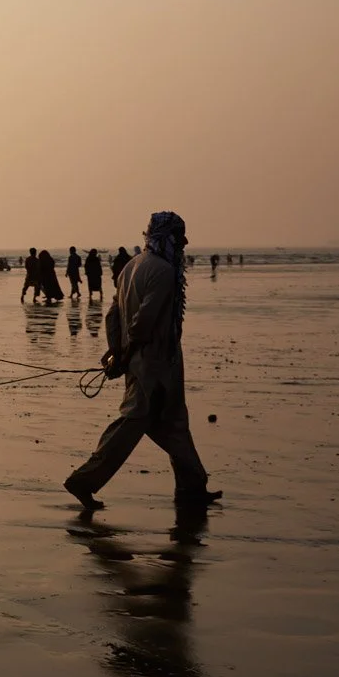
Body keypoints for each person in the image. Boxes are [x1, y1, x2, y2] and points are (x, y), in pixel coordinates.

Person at [64, 211, 219, 510]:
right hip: (156, 364)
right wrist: (123, 352)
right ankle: (83, 481)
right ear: (166, 237)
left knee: (175, 426)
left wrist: (116, 351)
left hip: (148, 361)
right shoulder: (162, 271)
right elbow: (143, 320)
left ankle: (193, 486)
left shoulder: (132, 267)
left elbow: (112, 316)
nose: (184, 242)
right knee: (132, 424)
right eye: (179, 236)